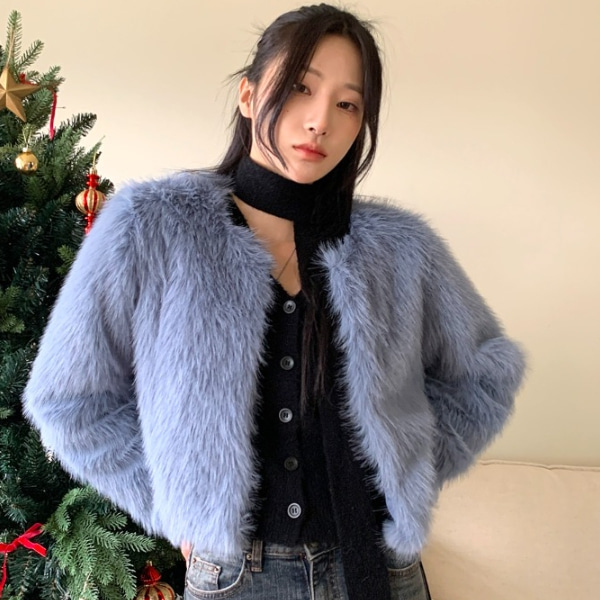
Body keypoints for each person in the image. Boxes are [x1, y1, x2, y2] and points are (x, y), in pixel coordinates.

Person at [23, 4, 526, 600]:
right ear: (247, 94)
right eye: (299, 88)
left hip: (378, 567)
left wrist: (409, 470)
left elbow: (486, 374)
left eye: (348, 104)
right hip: (235, 578)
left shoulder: (400, 247)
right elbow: (68, 400)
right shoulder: (151, 227)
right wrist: (175, 502)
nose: (320, 121)